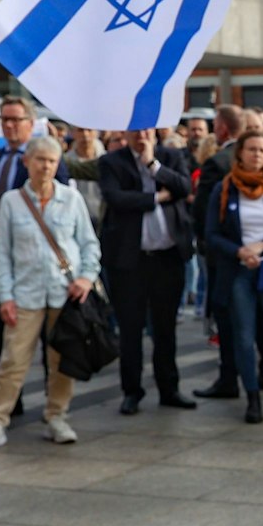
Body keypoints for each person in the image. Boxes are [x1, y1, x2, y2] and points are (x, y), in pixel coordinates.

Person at [0, 135, 101, 452]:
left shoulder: (71, 198)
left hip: (65, 294)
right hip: (25, 294)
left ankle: (57, 416)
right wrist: (5, 296)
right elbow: (3, 254)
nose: (45, 166)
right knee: (13, 361)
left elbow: (89, 244)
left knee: (62, 361)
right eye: (40, 160)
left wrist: (86, 278)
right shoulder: (11, 201)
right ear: (27, 162)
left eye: (52, 161)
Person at [98, 128, 196, 416]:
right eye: (135, 132)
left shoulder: (171, 155)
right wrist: (156, 197)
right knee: (130, 329)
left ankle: (169, 388)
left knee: (165, 329)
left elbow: (185, 187)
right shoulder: (111, 162)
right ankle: (132, 391)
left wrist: (154, 166)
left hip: (167, 257)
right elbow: (116, 199)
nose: (141, 136)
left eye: (146, 131)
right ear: (125, 134)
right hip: (129, 260)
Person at [205, 130, 263, 423]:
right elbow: (211, 235)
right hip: (238, 271)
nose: (257, 155)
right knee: (244, 337)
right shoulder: (223, 189)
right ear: (240, 153)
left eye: (262, 150)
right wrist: (240, 251)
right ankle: (253, 398)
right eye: (252, 149)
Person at [0, 98, 65, 357]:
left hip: (34, 253)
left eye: (16, 120)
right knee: (4, 308)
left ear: (30, 124)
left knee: (44, 321)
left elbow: (59, 205)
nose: (9, 126)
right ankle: (4, 357)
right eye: (5, 120)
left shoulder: (46, 159)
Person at [192, 104, 247, 398]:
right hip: (255, 254)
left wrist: (205, 241)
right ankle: (260, 375)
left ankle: (229, 377)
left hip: (224, 254)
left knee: (225, 316)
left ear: (223, 128)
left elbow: (202, 210)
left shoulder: (217, 162)